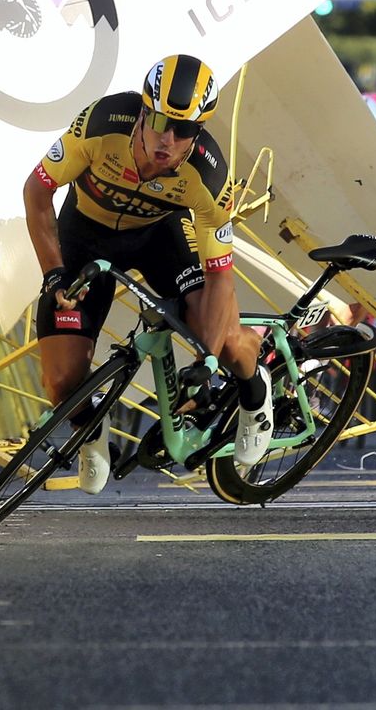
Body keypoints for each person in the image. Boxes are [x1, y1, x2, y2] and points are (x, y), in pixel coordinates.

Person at [25, 54, 267, 495]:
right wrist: (53, 273)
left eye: (185, 130)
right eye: (159, 121)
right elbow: (38, 190)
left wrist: (207, 361)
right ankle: (91, 433)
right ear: (143, 109)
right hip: (85, 235)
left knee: (225, 339)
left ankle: (256, 396)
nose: (168, 139)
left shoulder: (208, 175)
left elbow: (220, 277)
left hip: (162, 239)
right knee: (61, 381)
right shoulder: (101, 123)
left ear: (198, 132)